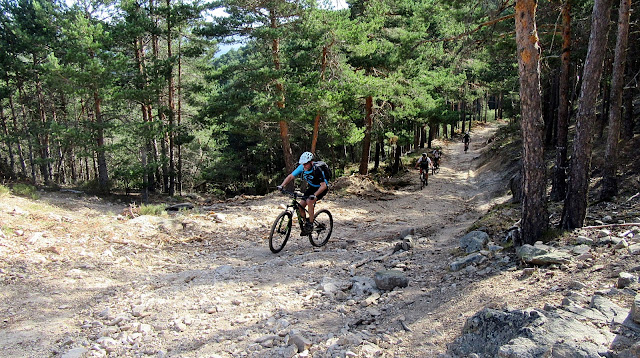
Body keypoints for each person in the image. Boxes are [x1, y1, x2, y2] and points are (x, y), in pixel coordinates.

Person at [278, 152, 328, 235]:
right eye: (303, 164)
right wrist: (282, 185)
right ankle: (306, 224)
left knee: (309, 201)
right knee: (300, 206)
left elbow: (324, 186)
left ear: (311, 162)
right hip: (312, 188)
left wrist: (314, 195)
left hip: (321, 188)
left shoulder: (317, 169)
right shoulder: (302, 167)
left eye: (306, 164)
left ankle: (311, 224)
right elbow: (291, 176)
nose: (304, 166)